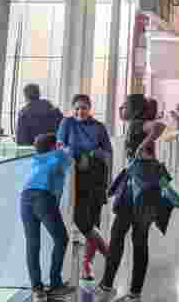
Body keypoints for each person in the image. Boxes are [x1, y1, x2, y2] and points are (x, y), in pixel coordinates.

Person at [94, 95, 168, 301]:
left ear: (133, 109)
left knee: (120, 235)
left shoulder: (138, 124)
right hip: (143, 189)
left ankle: (108, 286)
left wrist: (143, 144)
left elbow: (159, 126)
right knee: (138, 239)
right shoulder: (133, 126)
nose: (120, 109)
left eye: (123, 106)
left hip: (137, 190)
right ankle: (132, 292)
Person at [56, 94, 113, 281]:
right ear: (73, 109)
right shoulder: (67, 123)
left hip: (96, 177)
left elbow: (108, 153)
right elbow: (60, 145)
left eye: (84, 108)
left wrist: (92, 153)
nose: (80, 111)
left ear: (90, 108)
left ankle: (87, 266)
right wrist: (74, 155)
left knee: (94, 221)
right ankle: (109, 252)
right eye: (77, 108)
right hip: (75, 177)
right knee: (82, 220)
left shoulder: (99, 127)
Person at [20, 132, 74, 301]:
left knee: (32, 243)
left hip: (25, 197)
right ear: (53, 146)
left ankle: (37, 289)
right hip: (43, 198)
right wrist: (61, 148)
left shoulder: (36, 159)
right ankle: (55, 285)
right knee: (61, 239)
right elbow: (70, 155)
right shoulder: (58, 155)